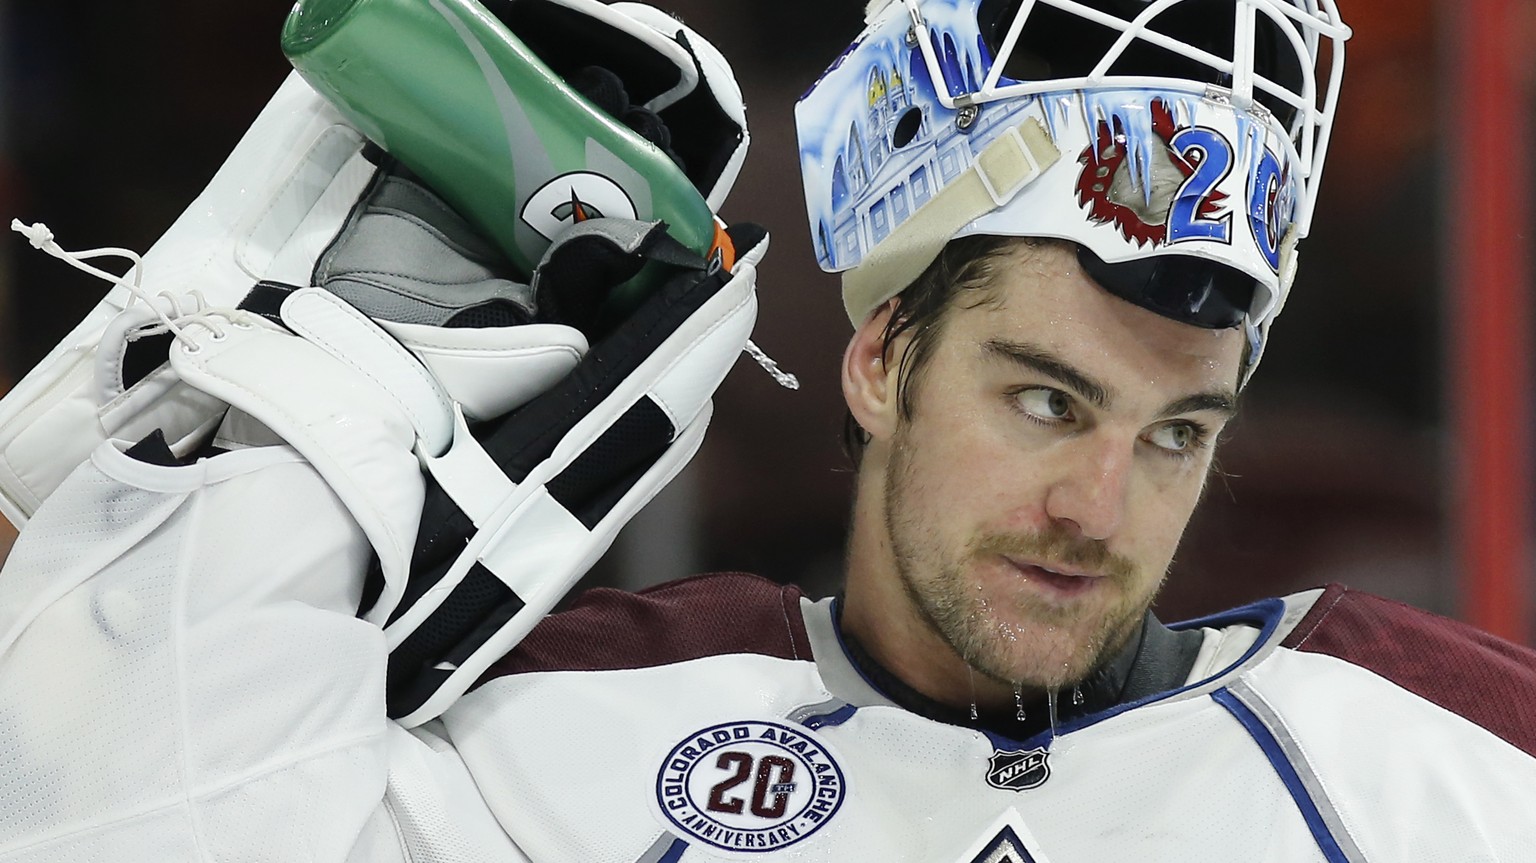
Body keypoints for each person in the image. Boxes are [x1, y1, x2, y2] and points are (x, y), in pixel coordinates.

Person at [1, 2, 1535, 863]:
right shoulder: (564, 733)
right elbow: (116, 823)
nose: (1099, 505)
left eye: (1178, 433)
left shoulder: (1446, 755)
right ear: (880, 363)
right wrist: (313, 421)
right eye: (1045, 401)